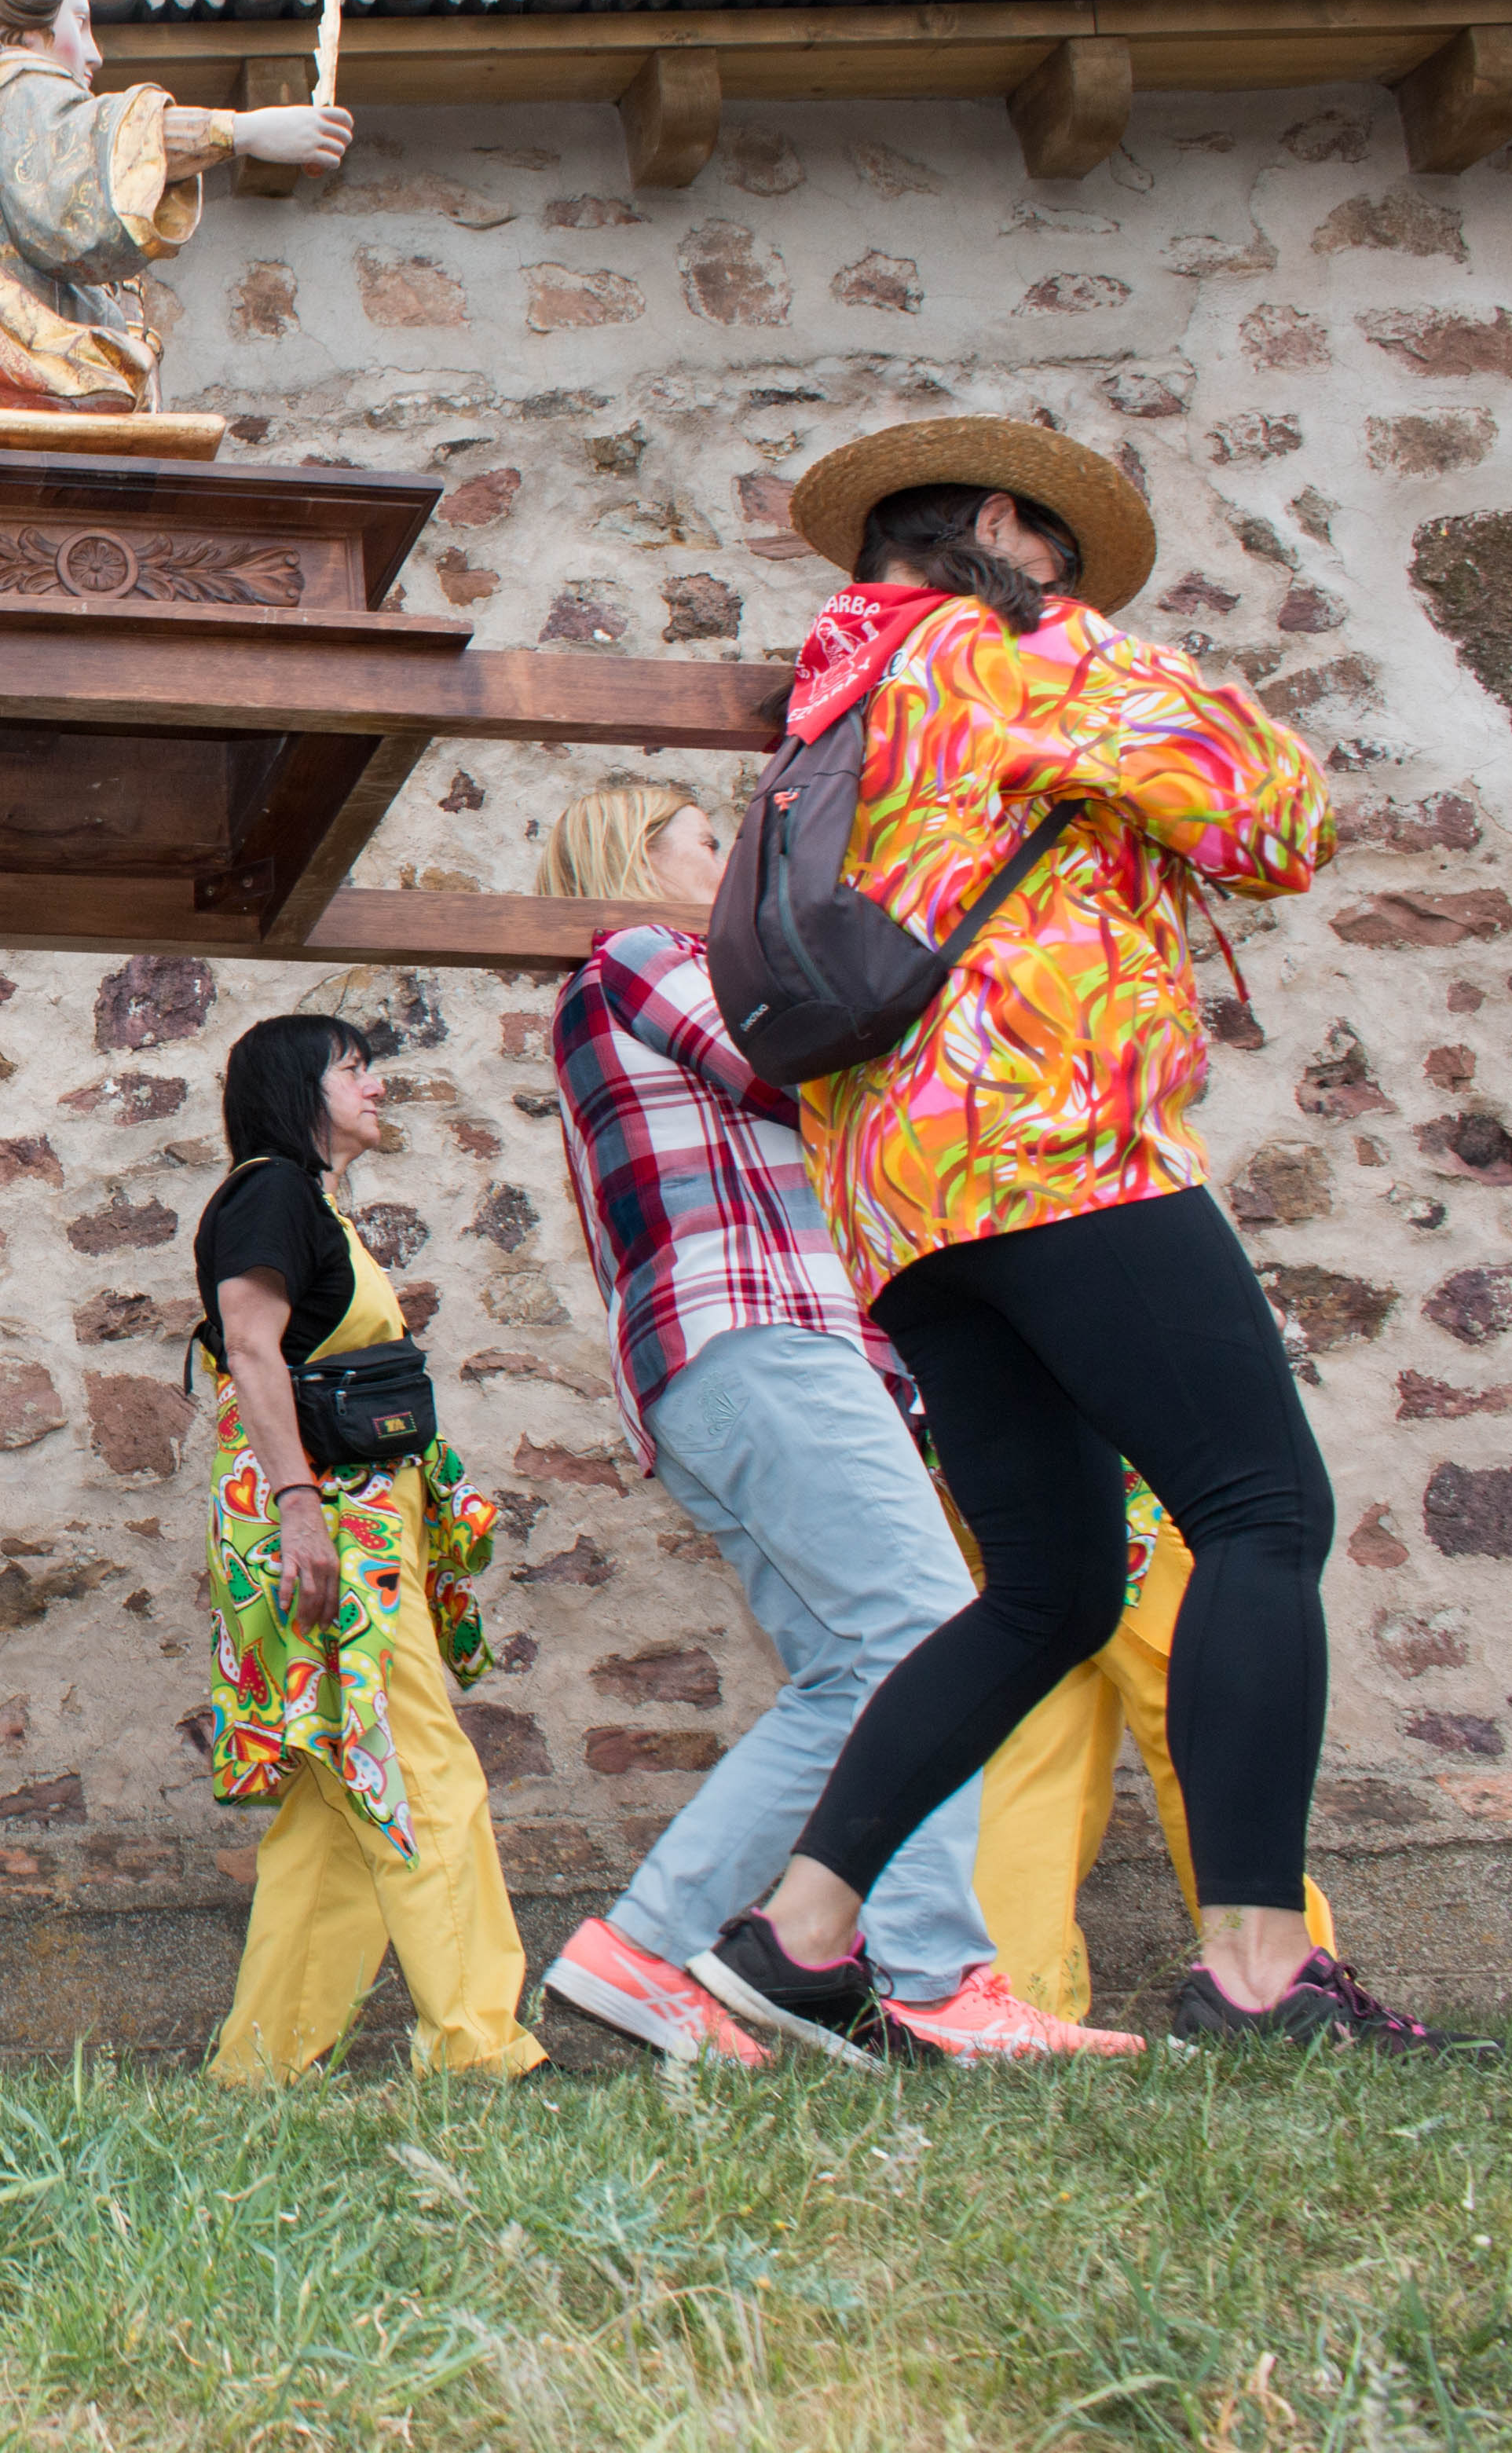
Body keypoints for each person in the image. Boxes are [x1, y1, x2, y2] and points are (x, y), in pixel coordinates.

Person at [694, 421, 1472, 2055]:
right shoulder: (1005, 652)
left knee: (1043, 1587)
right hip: (1056, 1137)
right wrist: (1092, 643)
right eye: (1060, 553)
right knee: (1263, 1513)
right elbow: (1275, 818)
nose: (1073, 587)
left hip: (902, 1196)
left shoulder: (830, 703)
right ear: (995, 525)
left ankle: (795, 1937)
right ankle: (1264, 1976)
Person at [535, 779, 1137, 2069]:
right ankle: (932, 1974)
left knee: (850, 1675)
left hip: (752, 1352)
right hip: (754, 1331)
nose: (738, 858)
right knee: (924, 1639)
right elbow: (793, 1070)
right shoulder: (643, 954)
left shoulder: (641, 972)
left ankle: (642, 1951)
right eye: (714, 838)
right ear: (642, 854)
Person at [191, 1014, 537, 2080]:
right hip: (331, 1527)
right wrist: (301, 1506)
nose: (376, 1086)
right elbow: (249, 1347)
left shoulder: (310, 1201)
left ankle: (262, 2062)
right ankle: (478, 2041)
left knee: (341, 1799)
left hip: (359, 1524)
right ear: (300, 1086)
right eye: (354, 1069)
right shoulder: (271, 1193)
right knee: (419, 1768)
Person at [0, 0, 350, 414]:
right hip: (22, 414)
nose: (94, 54)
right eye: (80, 24)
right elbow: (94, 151)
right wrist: (247, 132)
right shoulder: (17, 92)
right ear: (29, 31)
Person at [955, 1470, 1340, 2023]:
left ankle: (1013, 2002)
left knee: (1037, 1740)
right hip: (1109, 1478)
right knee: (1206, 1721)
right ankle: (1280, 1994)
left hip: (987, 1463)